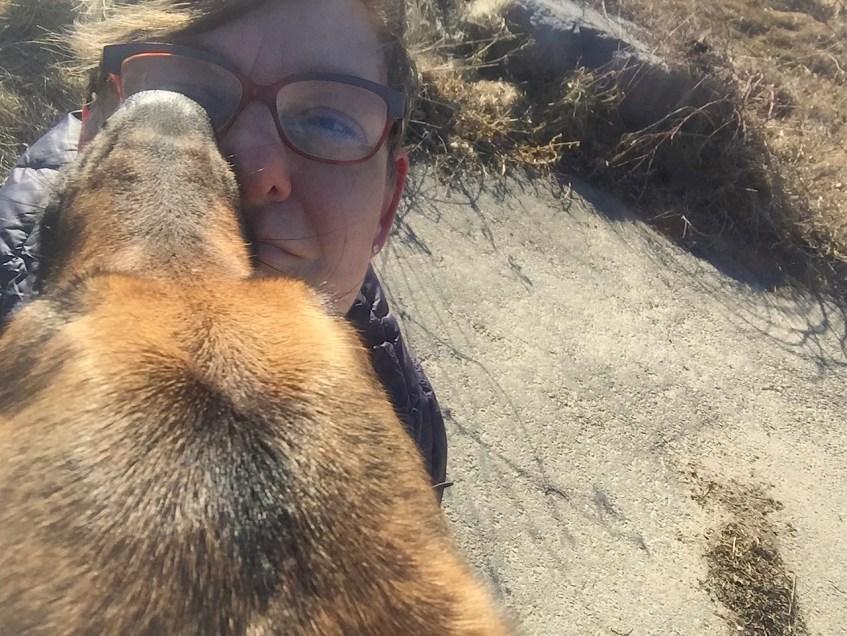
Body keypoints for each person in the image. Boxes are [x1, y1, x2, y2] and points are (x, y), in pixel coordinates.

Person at [0, 0, 448, 500]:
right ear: (90, 138)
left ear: (386, 206)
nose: (253, 170)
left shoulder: (404, 410)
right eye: (180, 91)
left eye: (328, 122)